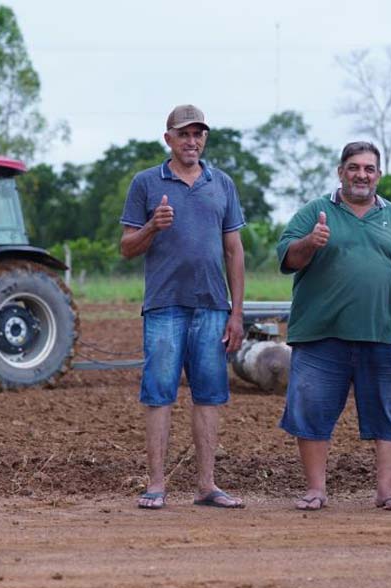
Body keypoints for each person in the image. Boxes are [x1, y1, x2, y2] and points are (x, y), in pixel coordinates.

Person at [276, 141, 391, 512]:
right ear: (340, 171)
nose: (361, 174)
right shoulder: (315, 212)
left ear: (378, 174)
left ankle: (386, 491)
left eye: (369, 168)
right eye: (354, 167)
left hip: (384, 334)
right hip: (321, 335)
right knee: (311, 409)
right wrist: (311, 243)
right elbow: (287, 257)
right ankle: (315, 489)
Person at [119, 104, 246, 510]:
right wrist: (153, 226)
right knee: (159, 393)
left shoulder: (221, 183)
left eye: (198, 134)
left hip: (212, 306)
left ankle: (207, 485)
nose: (192, 141)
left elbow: (234, 250)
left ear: (204, 138)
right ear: (168, 139)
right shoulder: (145, 184)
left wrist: (236, 312)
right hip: (164, 307)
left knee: (209, 395)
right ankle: (156, 484)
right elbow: (126, 248)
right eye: (184, 134)